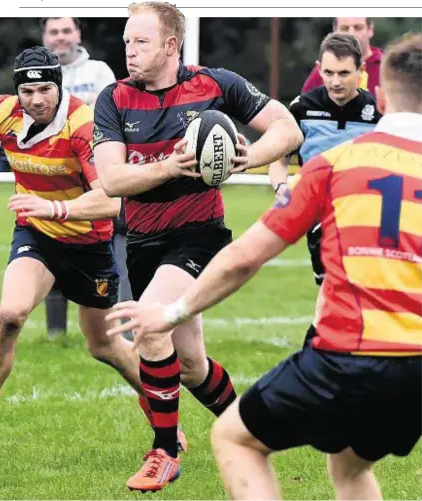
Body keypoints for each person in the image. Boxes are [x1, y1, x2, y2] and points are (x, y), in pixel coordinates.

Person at [107, 32, 422, 500]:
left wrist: (170, 314)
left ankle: (168, 448)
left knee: (236, 439)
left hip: (345, 356)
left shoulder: (333, 165)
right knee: (349, 464)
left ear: (377, 94)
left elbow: (245, 256)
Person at [93, 0, 303, 492]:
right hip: (143, 242)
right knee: (189, 365)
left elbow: (286, 129)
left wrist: (244, 158)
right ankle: (254, 428)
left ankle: (165, 452)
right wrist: (171, 165)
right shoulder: (114, 98)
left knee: (149, 322)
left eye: (140, 42)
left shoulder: (216, 84)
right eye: (126, 41)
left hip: (199, 236)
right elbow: (111, 178)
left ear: (171, 45)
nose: (130, 50)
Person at [0, 47, 147, 427]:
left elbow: (110, 202)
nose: (36, 100)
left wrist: (53, 208)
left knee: (105, 346)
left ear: (58, 86)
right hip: (37, 236)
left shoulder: (83, 124)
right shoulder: (1, 112)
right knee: (9, 316)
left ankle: (161, 411)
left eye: (44, 89)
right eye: (27, 92)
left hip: (88, 245)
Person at [270, 33, 381, 290]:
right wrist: (281, 188)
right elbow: (279, 158)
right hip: (318, 213)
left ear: (361, 70)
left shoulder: (377, 111)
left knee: (354, 288)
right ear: (319, 69)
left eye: (344, 74)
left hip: (363, 213)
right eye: (329, 73)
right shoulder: (301, 108)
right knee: (330, 288)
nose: (335, 81)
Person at [41, 17, 118, 336]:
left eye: (66, 30)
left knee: (97, 248)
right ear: (44, 37)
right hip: (52, 175)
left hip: (94, 173)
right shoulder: (37, 74)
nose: (60, 37)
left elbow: (107, 111)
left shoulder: (99, 71)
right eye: (53, 31)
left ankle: (109, 328)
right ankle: (55, 334)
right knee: (46, 241)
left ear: (78, 34)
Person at [302, 18, 383, 95]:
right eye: (344, 28)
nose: (352, 34)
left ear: (370, 30)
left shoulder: (387, 66)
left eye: (358, 28)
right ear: (335, 30)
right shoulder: (323, 70)